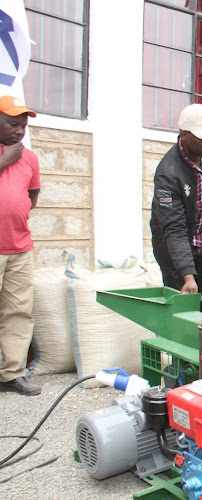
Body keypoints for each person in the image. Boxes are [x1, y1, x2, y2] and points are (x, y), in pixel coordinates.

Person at [150, 103, 202, 316]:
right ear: (184, 135)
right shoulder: (168, 174)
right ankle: (183, 348)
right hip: (175, 248)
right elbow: (174, 230)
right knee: (182, 304)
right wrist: (187, 276)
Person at [0, 96, 42, 396]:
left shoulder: (30, 158)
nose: (19, 131)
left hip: (19, 247)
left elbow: (32, 198)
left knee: (17, 312)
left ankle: (10, 374)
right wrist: (5, 160)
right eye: (12, 124)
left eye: (23, 126)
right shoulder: (13, 156)